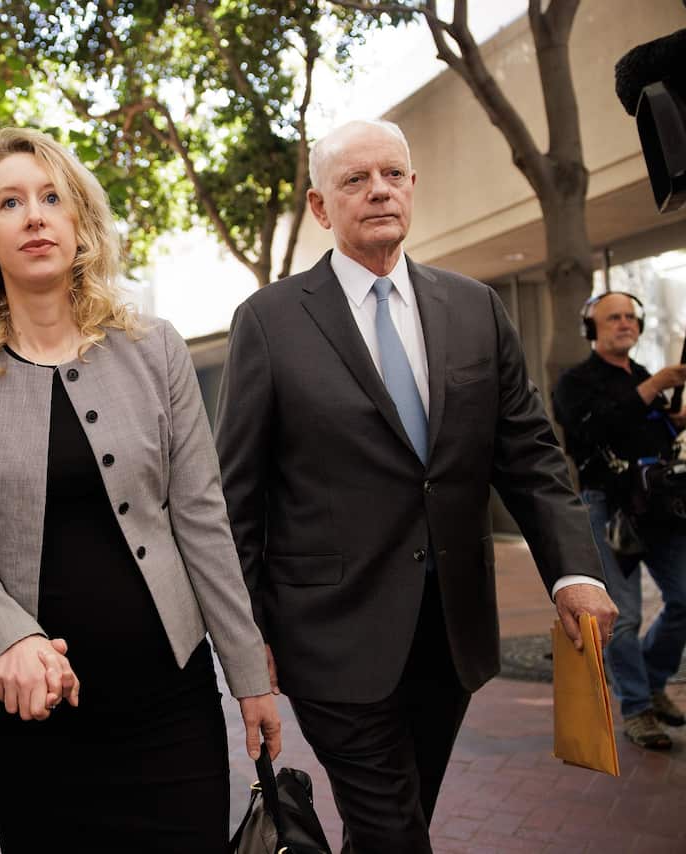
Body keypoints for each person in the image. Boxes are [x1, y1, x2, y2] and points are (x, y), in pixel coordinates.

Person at [214, 119, 617, 854]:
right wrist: (247, 638)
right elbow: (235, 497)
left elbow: (528, 453)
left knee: (401, 819)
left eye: (393, 175)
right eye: (355, 180)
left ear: (412, 188)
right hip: (327, 635)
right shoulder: (269, 323)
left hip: (449, 635)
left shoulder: (473, 308)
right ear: (319, 206)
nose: (379, 192)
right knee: (394, 829)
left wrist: (574, 572)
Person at [0, 127, 281, 853]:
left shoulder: (156, 348)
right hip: (36, 713)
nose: (36, 216)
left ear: (79, 222)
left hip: (170, 703)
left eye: (53, 198)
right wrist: (9, 634)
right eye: (11, 202)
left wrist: (248, 674)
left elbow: (202, 518)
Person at [552, 291, 686, 750]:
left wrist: (675, 419)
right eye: (613, 318)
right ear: (592, 329)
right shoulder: (576, 381)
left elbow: (649, 430)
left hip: (659, 508)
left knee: (684, 598)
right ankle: (637, 707)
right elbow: (587, 431)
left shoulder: (643, 375)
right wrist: (652, 389)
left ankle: (650, 679)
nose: (625, 324)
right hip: (608, 508)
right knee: (622, 616)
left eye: (631, 317)